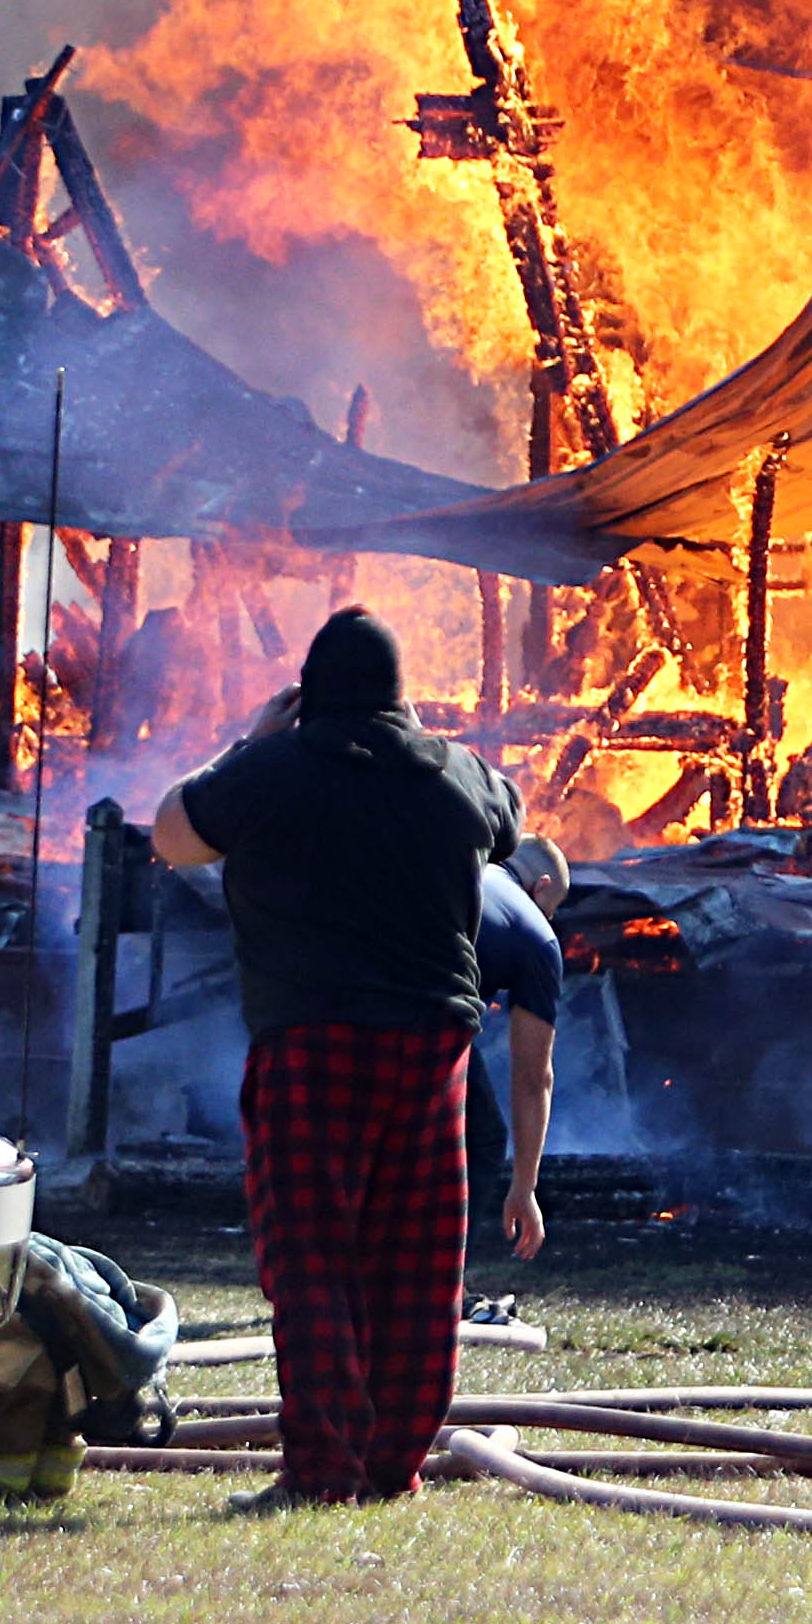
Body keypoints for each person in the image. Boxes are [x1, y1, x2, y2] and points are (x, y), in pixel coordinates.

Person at [151, 608, 520, 1504]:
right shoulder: (457, 773)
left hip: (311, 1042)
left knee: (312, 1255)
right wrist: (419, 739)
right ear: (403, 696)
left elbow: (170, 835)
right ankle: (392, 1465)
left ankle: (323, 1470)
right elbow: (508, 821)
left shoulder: (271, 766)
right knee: (419, 1263)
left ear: (307, 696)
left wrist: (249, 742)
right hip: (433, 1049)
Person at [468, 844, 564, 1259]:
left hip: (323, 1001)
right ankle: (439, 1283)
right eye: (551, 910)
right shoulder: (537, 935)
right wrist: (525, 1186)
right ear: (541, 887)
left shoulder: (457, 869)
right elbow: (533, 1076)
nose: (548, 919)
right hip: (419, 1019)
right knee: (480, 1138)